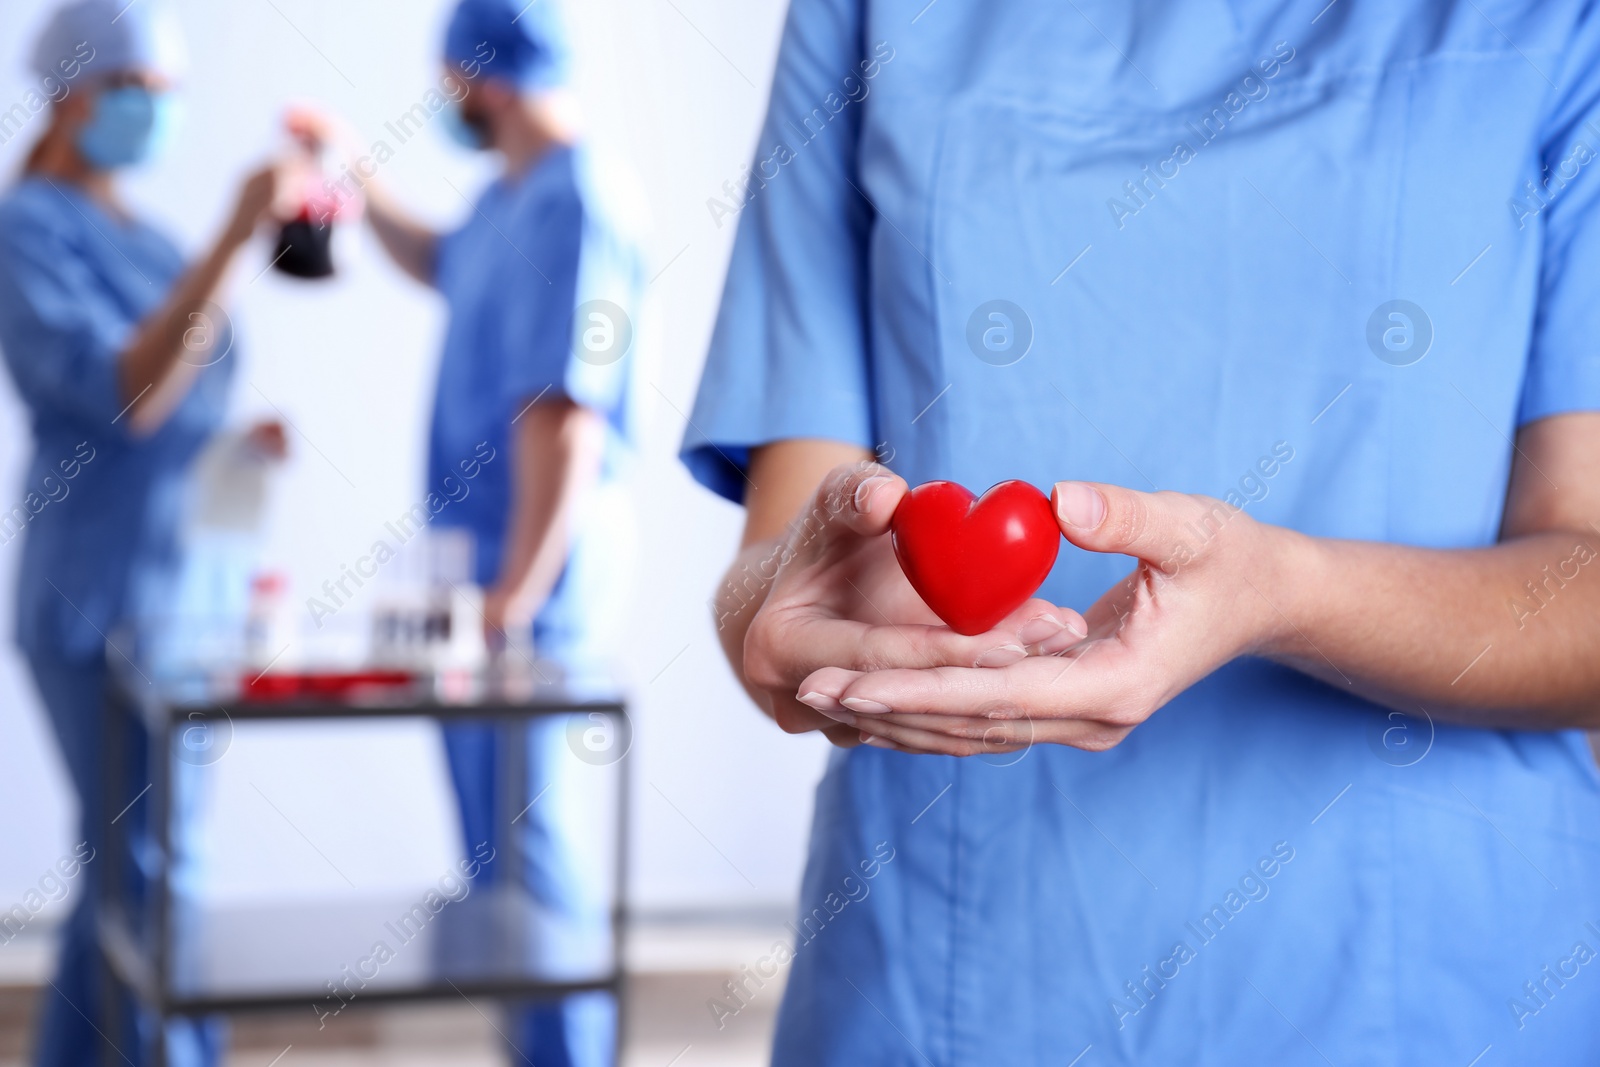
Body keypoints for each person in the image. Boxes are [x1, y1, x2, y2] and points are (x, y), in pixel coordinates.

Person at [684, 2, 1600, 1063]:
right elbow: (767, 570)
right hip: (941, 981)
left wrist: (1286, 591)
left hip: (1440, 985)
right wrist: (803, 621)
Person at [296, 1, 643, 1062]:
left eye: (449, 79)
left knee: (535, 860)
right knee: (494, 861)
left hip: (527, 591)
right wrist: (353, 176)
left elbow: (564, 417)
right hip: (471, 583)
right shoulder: (505, 203)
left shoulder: (577, 205)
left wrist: (516, 599)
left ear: (481, 78)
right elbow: (434, 257)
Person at [0, 2, 291, 1064]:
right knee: (152, 872)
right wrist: (232, 236)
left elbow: (179, 407)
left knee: (131, 869)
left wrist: (240, 439)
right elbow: (124, 394)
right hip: (97, 601)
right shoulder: (27, 225)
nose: (160, 115)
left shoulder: (146, 236)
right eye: (144, 94)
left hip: (184, 597)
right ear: (77, 96)